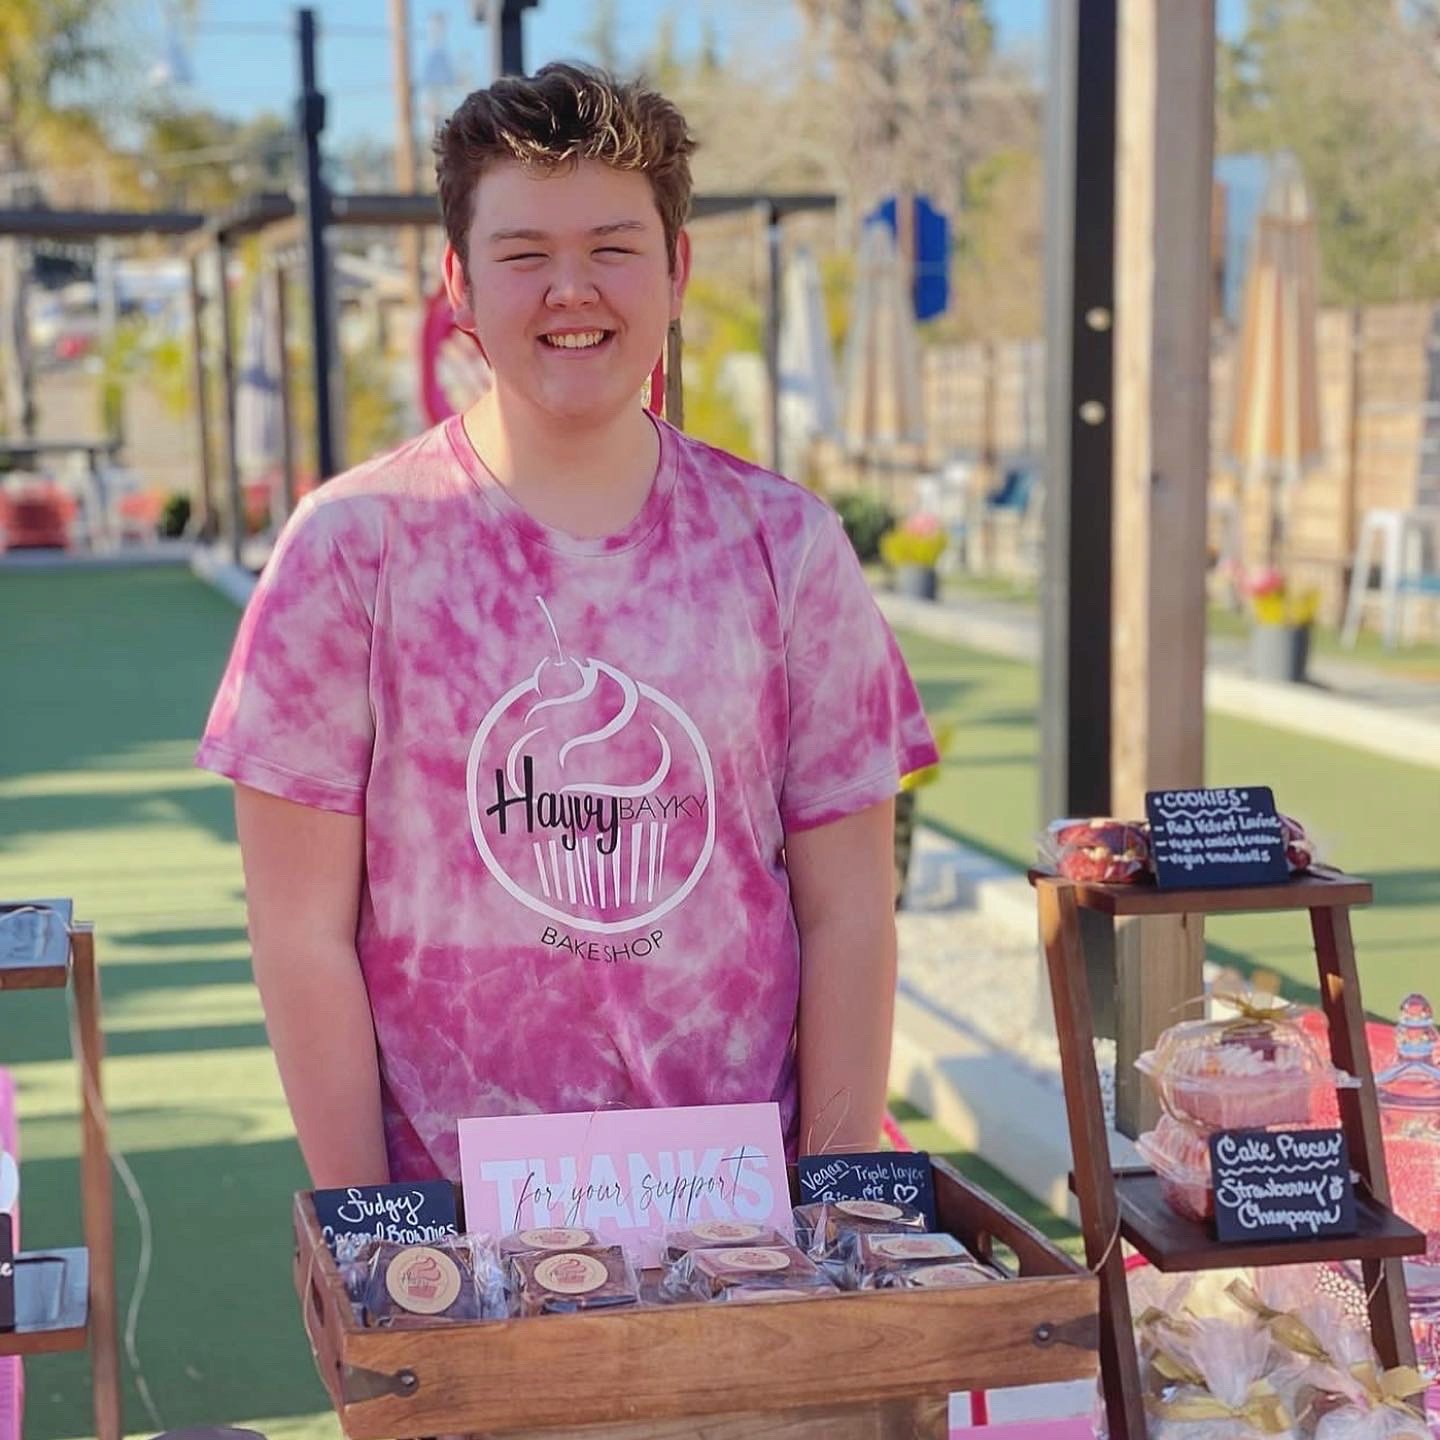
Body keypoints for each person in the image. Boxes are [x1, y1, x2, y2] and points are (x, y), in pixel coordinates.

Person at [196, 62, 937, 1188]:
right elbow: (299, 936)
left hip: (736, 1216)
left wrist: (832, 1198)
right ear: (459, 282)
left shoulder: (786, 544)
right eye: (525, 255)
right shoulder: (351, 546)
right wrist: (372, 1230)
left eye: (612, 248)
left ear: (678, 270)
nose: (571, 290)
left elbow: (849, 911)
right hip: (461, 1222)